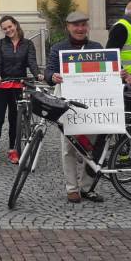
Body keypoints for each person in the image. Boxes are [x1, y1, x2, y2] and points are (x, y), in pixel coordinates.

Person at [46, 11, 104, 204]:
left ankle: (87, 187)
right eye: (76, 25)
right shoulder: (58, 48)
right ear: (68, 27)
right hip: (67, 103)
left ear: (87, 27)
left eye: (83, 25)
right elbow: (49, 70)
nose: (80, 29)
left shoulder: (96, 47)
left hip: (92, 103)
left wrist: (118, 73)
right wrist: (52, 77)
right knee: (69, 147)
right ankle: (72, 188)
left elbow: (107, 72)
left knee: (92, 147)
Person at [0, 15, 39, 166]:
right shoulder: (0, 44)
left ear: (16, 25)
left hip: (19, 86)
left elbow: (31, 62)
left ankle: (13, 150)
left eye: (10, 27)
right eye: (4, 29)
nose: (8, 30)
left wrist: (38, 74)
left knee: (14, 120)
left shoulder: (28, 44)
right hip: (3, 85)